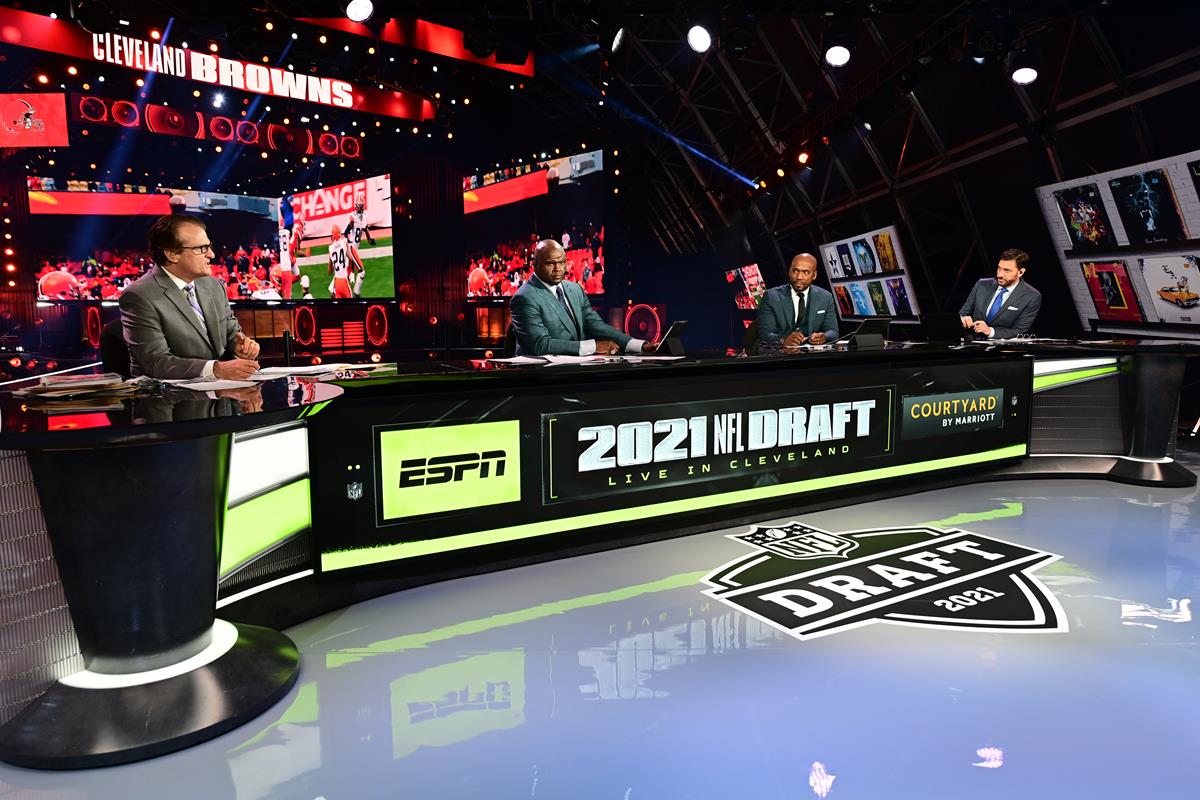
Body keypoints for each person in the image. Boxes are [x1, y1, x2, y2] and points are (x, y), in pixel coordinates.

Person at [120, 214, 260, 380]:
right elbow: (156, 363)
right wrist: (215, 369)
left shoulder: (213, 286)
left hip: (222, 397)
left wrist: (240, 346)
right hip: (168, 399)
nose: (211, 255)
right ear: (172, 254)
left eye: (209, 246)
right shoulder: (139, 296)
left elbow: (232, 334)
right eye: (201, 249)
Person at [510, 239, 657, 356]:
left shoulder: (575, 289)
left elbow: (595, 325)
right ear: (534, 264)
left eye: (561, 262)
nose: (558, 269)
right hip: (539, 378)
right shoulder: (524, 298)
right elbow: (540, 345)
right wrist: (593, 346)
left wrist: (638, 345)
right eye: (550, 263)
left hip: (576, 371)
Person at [756, 253, 839, 348]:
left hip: (812, 354)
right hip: (780, 354)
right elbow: (764, 333)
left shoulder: (826, 297)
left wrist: (824, 337)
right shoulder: (771, 296)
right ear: (789, 272)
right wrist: (783, 340)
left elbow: (833, 331)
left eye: (806, 272)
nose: (799, 277)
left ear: (814, 275)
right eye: (795, 271)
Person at [959, 248, 1042, 339]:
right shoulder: (982, 284)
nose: (999, 275)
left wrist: (990, 331)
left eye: (1007, 270)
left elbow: (1020, 330)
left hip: (1002, 349)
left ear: (1020, 272)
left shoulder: (1031, 296)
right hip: (971, 344)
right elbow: (963, 313)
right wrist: (963, 319)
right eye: (999, 268)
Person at [327, 225, 361, 299]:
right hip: (344, 281)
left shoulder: (330, 248)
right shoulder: (344, 242)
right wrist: (357, 268)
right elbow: (351, 258)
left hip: (336, 282)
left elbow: (329, 272)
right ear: (339, 233)